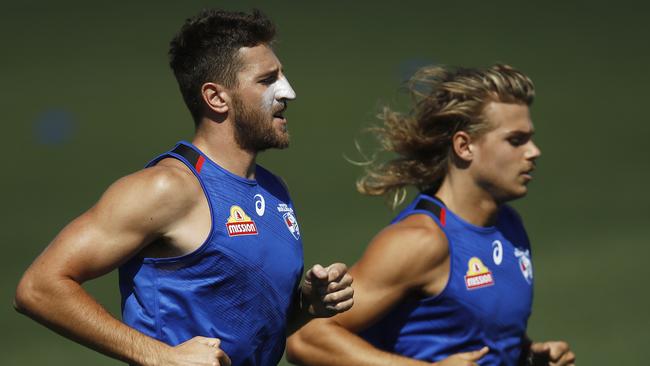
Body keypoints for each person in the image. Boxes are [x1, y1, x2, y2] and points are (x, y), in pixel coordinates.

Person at [14, 9, 354, 366]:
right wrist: (160, 357)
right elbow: (39, 287)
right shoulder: (168, 188)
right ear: (216, 97)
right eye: (267, 80)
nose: (288, 92)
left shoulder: (274, 191)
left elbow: (243, 332)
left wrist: (307, 307)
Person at [286, 64, 575, 366]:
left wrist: (527, 357)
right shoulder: (420, 241)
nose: (534, 151)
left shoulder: (509, 227)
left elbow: (479, 337)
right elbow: (307, 338)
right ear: (465, 146)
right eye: (516, 140)